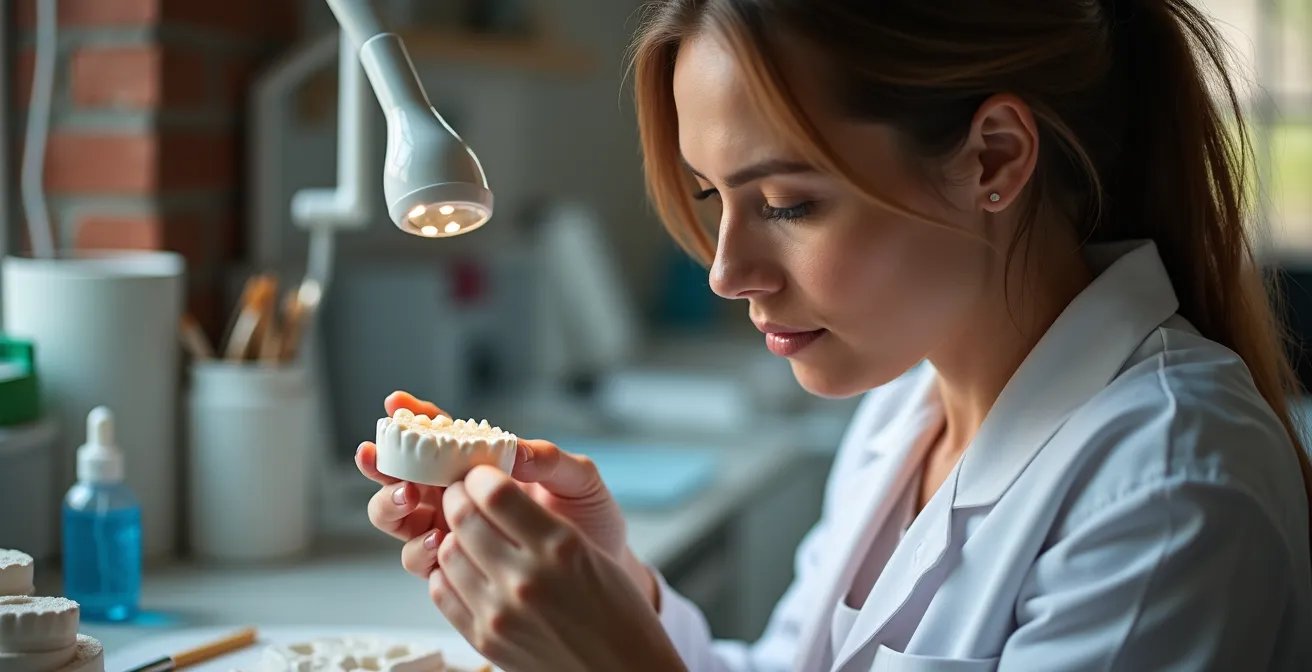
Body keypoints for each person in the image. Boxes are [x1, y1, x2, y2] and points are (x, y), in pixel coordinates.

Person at [354, 0, 1312, 669]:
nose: (727, 272)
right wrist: (618, 598)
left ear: (994, 159)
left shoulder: (1175, 483)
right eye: (711, 198)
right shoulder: (909, 403)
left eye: (787, 204)